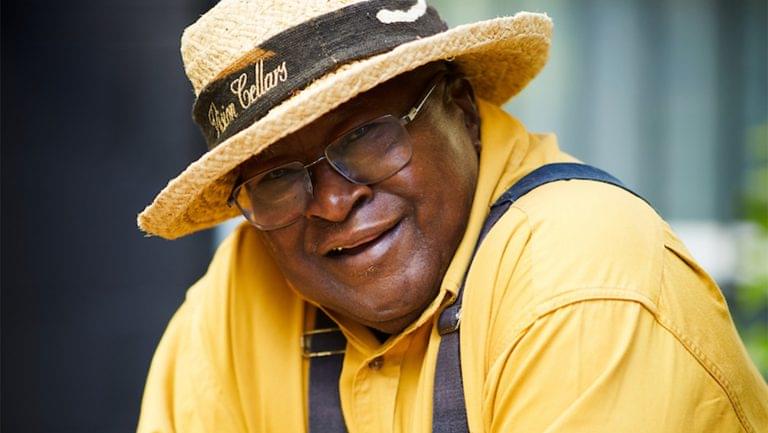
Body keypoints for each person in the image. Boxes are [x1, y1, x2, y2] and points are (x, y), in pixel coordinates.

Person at [136, 0, 768, 432]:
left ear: (461, 109)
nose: (331, 202)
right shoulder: (236, 296)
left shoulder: (582, 275)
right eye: (276, 179)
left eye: (366, 137)